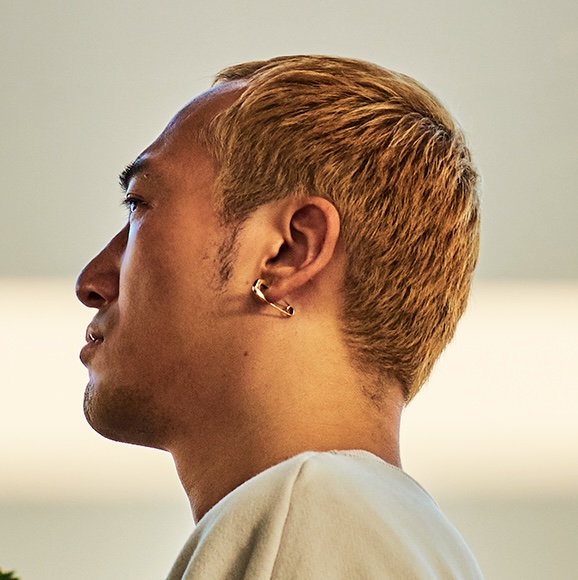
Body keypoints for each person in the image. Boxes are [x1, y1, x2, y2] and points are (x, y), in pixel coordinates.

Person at [76, 55, 482, 578]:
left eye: (139, 206)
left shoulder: (311, 513)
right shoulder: (407, 541)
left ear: (287, 250)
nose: (90, 282)